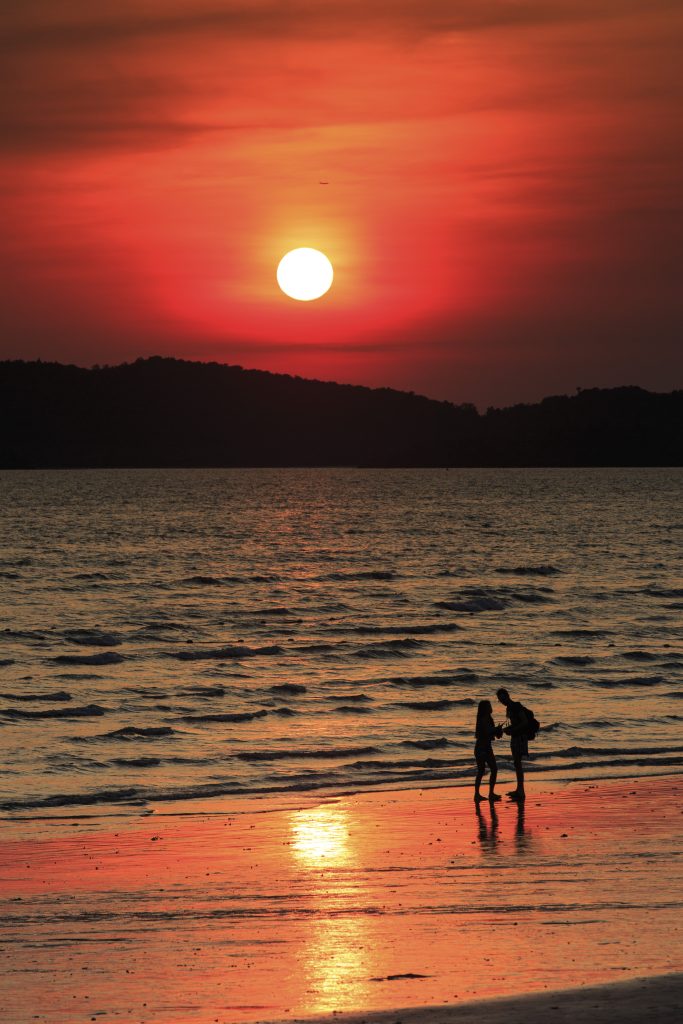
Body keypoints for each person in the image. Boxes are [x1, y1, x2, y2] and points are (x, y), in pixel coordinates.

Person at [496, 687, 529, 801]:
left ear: (507, 695)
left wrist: (513, 730)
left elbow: (524, 722)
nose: (502, 701)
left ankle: (521, 791)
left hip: (520, 737)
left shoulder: (516, 706)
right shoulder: (509, 708)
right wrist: (506, 730)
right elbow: (515, 724)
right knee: (517, 763)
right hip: (516, 737)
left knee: (517, 764)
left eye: (503, 698)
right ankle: (519, 790)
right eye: (500, 700)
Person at [474, 699, 502, 802]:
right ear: (485, 709)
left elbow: (493, 734)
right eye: (489, 706)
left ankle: (490, 793)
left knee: (493, 769)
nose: (491, 707)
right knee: (482, 770)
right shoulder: (482, 719)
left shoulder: (489, 718)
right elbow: (487, 731)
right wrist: (496, 729)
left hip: (487, 747)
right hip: (481, 747)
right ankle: (477, 794)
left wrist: (499, 731)